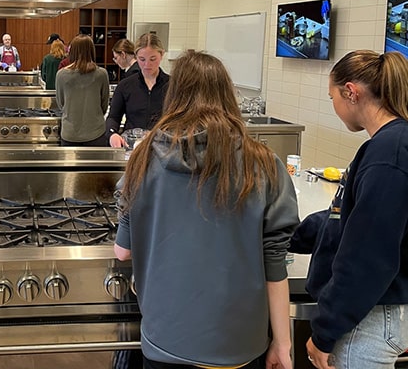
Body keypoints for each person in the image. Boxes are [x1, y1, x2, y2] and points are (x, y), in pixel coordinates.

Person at [114, 50, 298, 369]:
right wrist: (283, 343)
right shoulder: (265, 164)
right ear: (227, 96)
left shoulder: (143, 159)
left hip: (165, 339)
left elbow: (122, 253)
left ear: (175, 96)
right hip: (239, 345)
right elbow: (274, 265)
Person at [303, 50, 408, 369]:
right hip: (373, 310)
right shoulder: (387, 145)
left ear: (351, 92)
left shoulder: (389, 156)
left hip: (370, 317)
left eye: (332, 96)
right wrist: (288, 234)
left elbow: (367, 257)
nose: (333, 105)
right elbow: (350, 218)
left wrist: (324, 331)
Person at [106, 34, 170, 148]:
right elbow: (113, 117)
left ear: (162, 55)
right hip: (132, 147)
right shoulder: (125, 85)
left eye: (153, 59)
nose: (147, 64)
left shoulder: (173, 85)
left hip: (164, 149)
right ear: (136, 56)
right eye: (142, 59)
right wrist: (112, 134)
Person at [55, 34, 110, 146]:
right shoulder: (102, 74)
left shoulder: (61, 75)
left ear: (72, 51)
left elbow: (61, 104)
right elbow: (104, 104)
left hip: (70, 134)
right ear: (91, 50)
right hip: (96, 133)